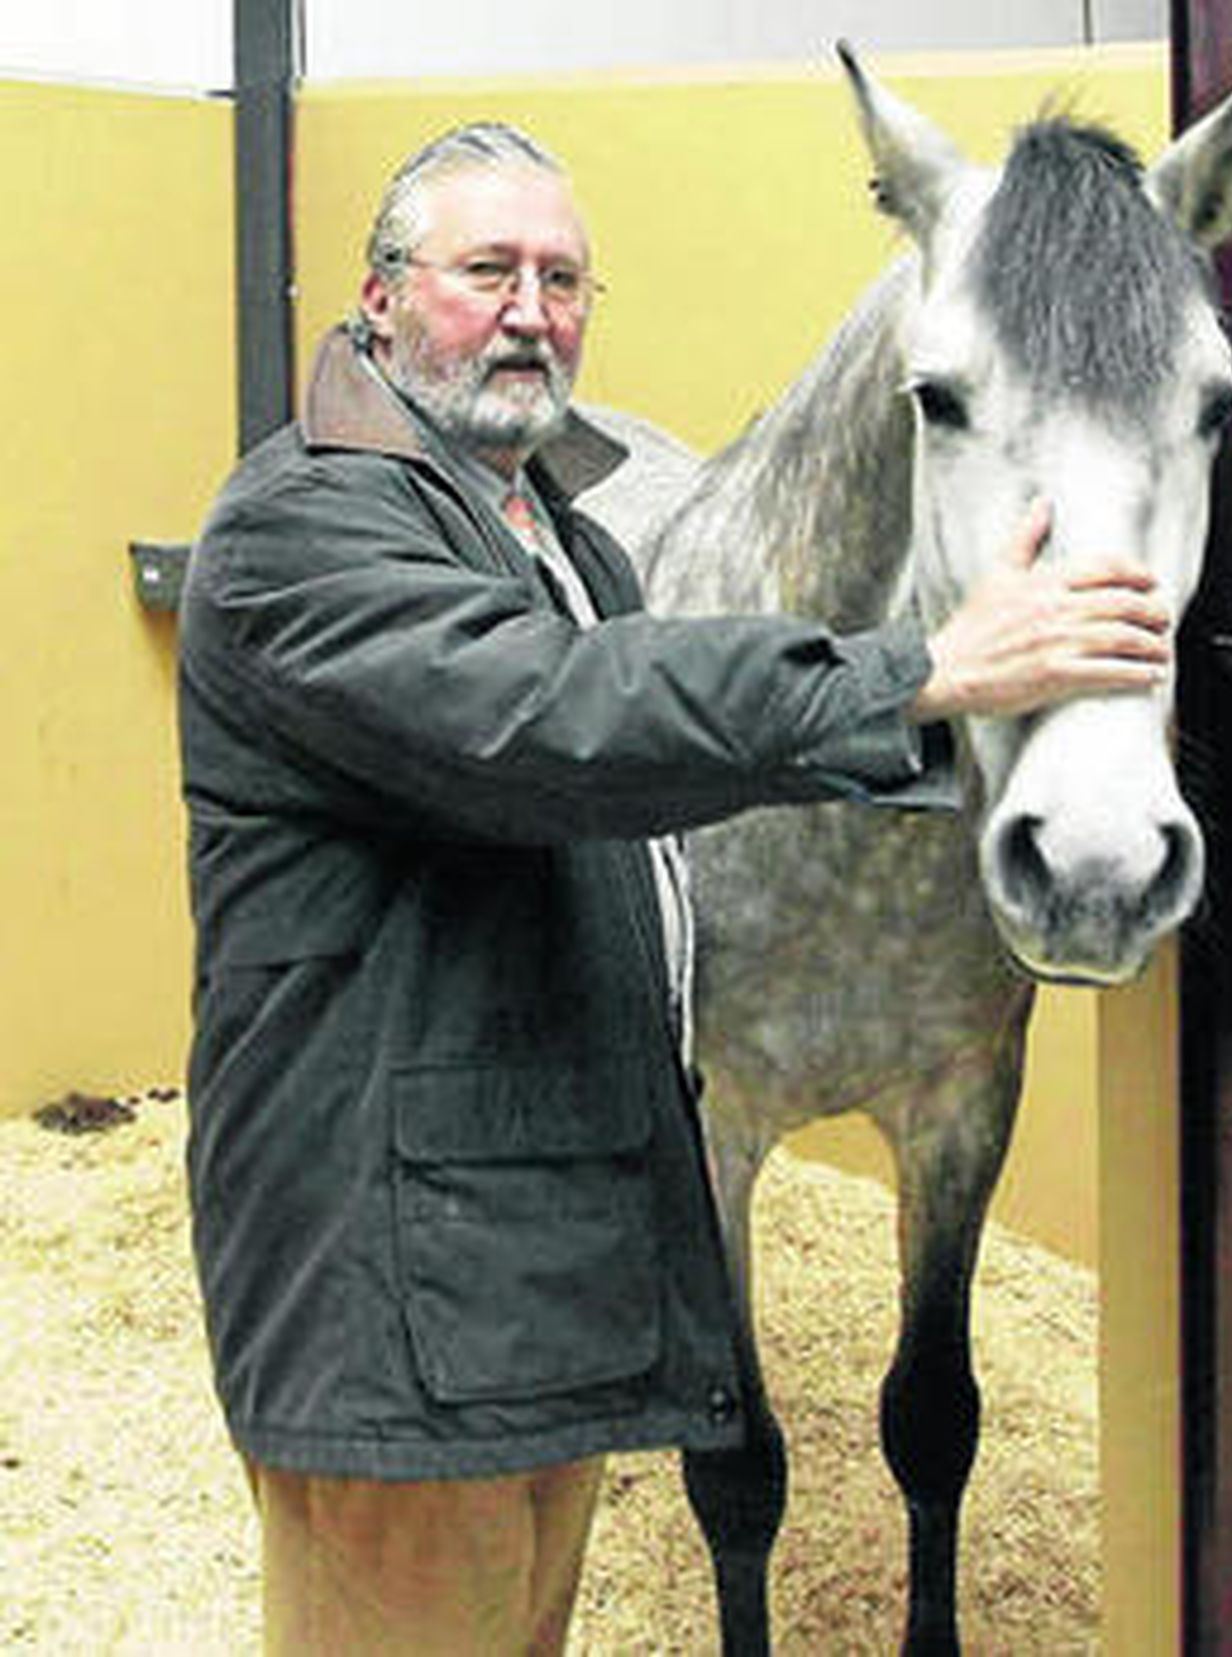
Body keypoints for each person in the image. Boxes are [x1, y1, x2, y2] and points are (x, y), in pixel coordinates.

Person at [179, 121, 1171, 1654]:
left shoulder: (557, 537)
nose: (531, 310)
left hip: (507, 1280)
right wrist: (923, 670)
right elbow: (550, 716)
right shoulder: (302, 526)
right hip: (382, 1283)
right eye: (485, 271)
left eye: (563, 278)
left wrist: (1011, 755)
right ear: (378, 302)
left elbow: (636, 758)